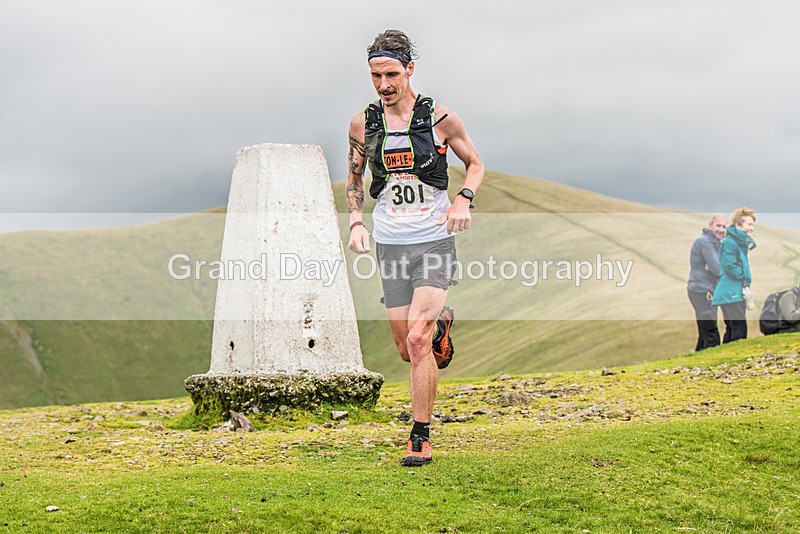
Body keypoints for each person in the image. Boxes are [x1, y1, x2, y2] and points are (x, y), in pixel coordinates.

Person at [345, 30, 484, 466]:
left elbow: (475, 164)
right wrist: (355, 222)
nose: (383, 84)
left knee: (418, 340)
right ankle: (440, 327)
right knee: (406, 347)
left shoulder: (440, 118)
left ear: (409, 69)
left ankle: (420, 435)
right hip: (390, 243)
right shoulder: (363, 123)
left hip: (433, 239)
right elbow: (355, 178)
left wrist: (463, 200)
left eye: (391, 74)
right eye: (375, 76)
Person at [712, 207, 757, 343]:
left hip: (734, 290)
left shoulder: (737, 242)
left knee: (733, 327)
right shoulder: (730, 242)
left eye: (753, 225)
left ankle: (726, 353)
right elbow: (729, 265)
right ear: (738, 224)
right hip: (731, 291)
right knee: (738, 326)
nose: (752, 228)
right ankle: (737, 352)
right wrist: (743, 276)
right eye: (749, 224)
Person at [687, 213, 727, 350]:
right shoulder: (705, 241)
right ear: (710, 226)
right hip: (702, 290)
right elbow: (718, 270)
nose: (721, 230)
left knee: (704, 332)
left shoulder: (716, 243)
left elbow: (716, 266)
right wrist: (718, 266)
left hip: (706, 289)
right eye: (718, 226)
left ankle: (698, 357)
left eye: (724, 227)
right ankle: (714, 358)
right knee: (710, 332)